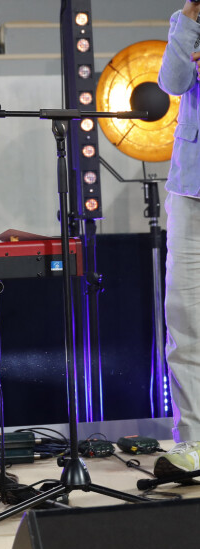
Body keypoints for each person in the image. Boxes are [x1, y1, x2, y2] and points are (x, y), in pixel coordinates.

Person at [154, 0, 200, 479]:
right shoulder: (189, 19)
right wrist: (189, 14)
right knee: (185, 320)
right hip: (190, 188)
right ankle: (194, 441)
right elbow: (172, 83)